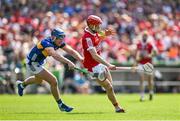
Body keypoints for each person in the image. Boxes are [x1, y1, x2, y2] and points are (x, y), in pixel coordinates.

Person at [16, 27, 84, 112]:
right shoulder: (46, 43)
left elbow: (71, 51)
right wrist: (68, 62)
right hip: (32, 63)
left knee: (38, 80)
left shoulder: (57, 42)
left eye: (62, 38)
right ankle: (61, 104)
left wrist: (81, 59)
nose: (61, 40)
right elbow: (55, 55)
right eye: (59, 38)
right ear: (54, 37)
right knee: (53, 81)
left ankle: (22, 85)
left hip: (39, 62)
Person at [81, 15, 125, 113]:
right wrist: (109, 64)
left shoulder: (95, 32)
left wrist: (106, 34)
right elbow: (94, 55)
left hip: (99, 64)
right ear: (92, 26)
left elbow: (100, 36)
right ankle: (117, 108)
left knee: (110, 87)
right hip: (92, 67)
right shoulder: (87, 38)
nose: (99, 28)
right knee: (109, 87)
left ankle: (103, 84)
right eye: (97, 25)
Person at [135, 32, 157, 101]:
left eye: (146, 36)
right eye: (144, 36)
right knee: (141, 79)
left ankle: (151, 92)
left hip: (148, 63)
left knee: (149, 80)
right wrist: (137, 59)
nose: (144, 37)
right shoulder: (139, 44)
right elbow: (138, 53)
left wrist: (148, 56)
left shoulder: (150, 44)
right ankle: (142, 95)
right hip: (141, 63)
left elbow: (154, 52)